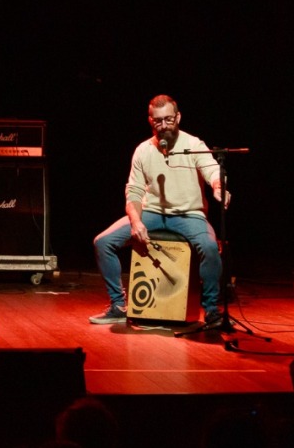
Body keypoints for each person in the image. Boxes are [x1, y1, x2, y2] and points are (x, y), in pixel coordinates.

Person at [90, 94, 229, 327]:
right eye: (158, 121)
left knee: (209, 247)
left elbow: (213, 170)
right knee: (103, 242)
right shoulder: (143, 150)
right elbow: (133, 192)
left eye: (168, 119)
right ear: (150, 121)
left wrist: (219, 186)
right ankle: (118, 305)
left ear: (178, 117)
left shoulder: (194, 145)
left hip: (189, 215)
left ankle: (212, 310)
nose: (163, 126)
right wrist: (136, 222)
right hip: (152, 213)